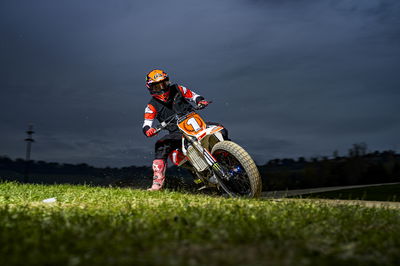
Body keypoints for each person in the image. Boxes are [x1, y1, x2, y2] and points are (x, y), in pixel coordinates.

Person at [142, 69, 213, 191]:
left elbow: (194, 96)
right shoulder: (151, 105)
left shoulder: (178, 88)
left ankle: (231, 158)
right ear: (150, 88)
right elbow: (146, 123)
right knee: (161, 145)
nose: (161, 88)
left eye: (163, 84)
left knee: (221, 129)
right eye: (157, 86)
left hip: (197, 125)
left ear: (168, 81)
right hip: (177, 132)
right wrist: (149, 130)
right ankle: (157, 183)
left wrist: (200, 101)